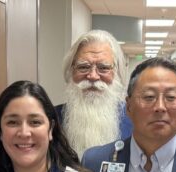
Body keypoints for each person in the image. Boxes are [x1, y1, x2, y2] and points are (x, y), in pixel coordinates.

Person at [57, 29, 133, 158]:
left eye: (103, 68)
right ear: (71, 71)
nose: (92, 76)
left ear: (116, 72)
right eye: (83, 67)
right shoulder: (51, 120)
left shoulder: (134, 120)